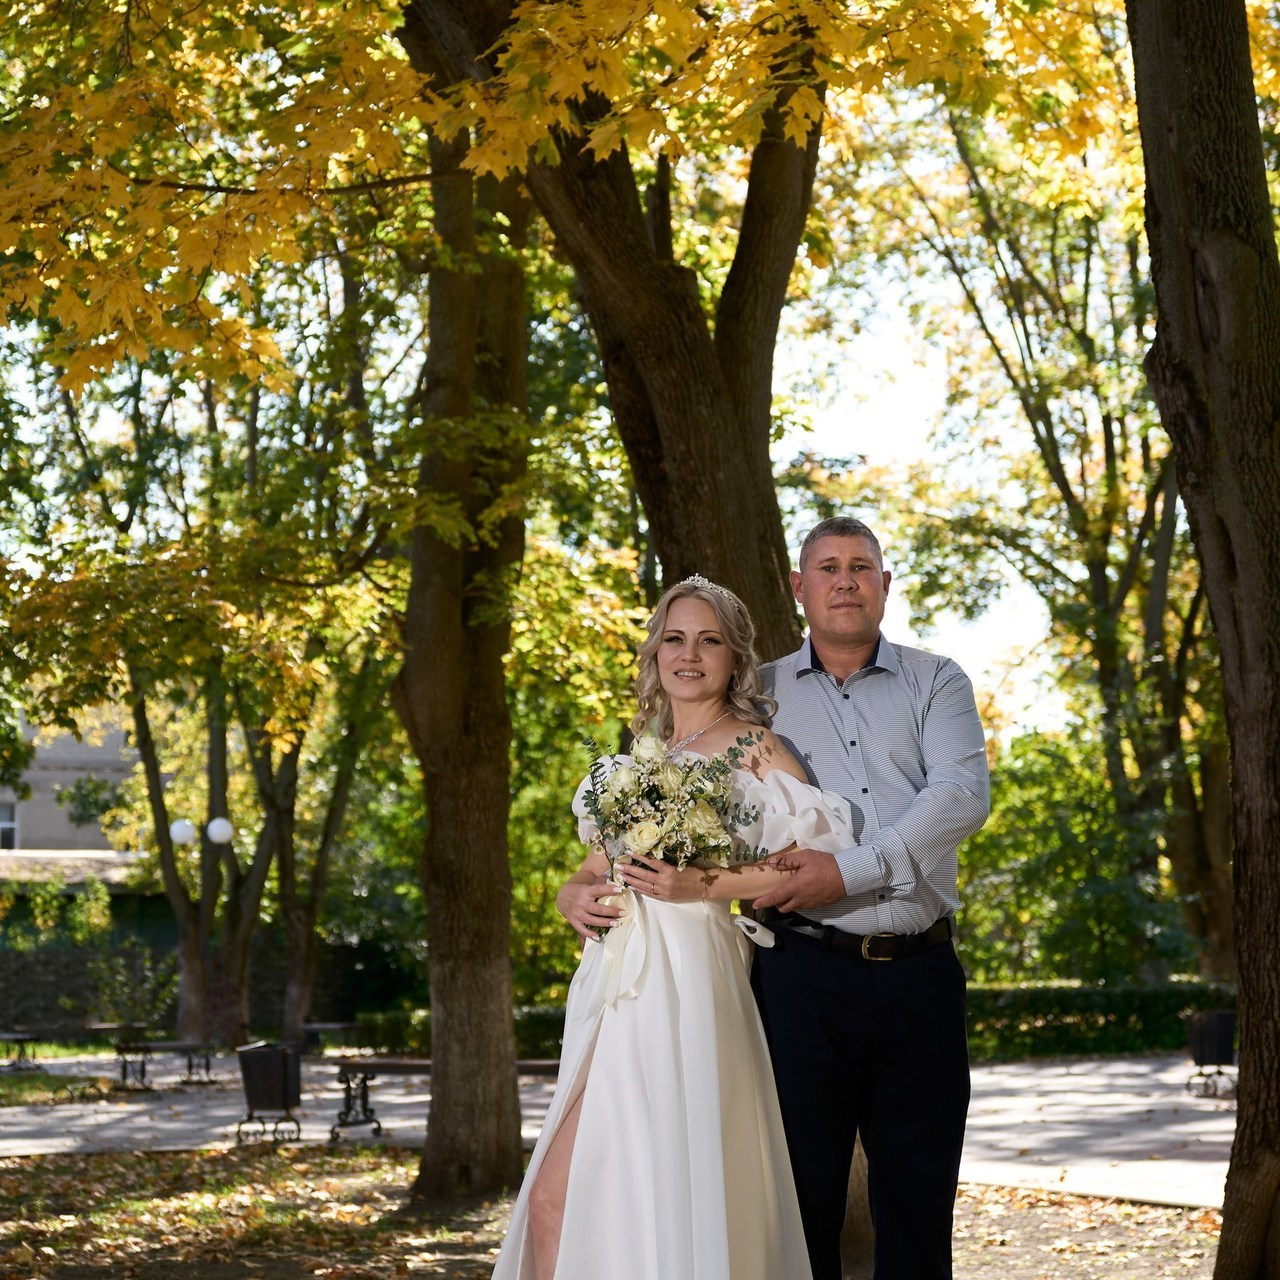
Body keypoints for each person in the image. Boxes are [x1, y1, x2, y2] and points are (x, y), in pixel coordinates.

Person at [621, 517, 990, 1280]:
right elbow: (669, 797)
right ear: (799, 586)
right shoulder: (753, 695)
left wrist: (849, 869)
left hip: (920, 975)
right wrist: (589, 879)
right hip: (797, 977)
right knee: (796, 1206)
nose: (845, 580)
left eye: (860, 566)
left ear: (885, 584)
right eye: (827, 567)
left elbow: (960, 796)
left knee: (919, 1212)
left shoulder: (937, 681)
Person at [493, 576, 857, 1280]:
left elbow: (806, 864)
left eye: (708, 640)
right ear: (655, 651)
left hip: (692, 979)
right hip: (615, 983)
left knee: (670, 1194)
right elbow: (594, 868)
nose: (689, 655)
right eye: (675, 638)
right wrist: (571, 896)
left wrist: (704, 886)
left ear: (734, 657)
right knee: (554, 1199)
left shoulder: (756, 748)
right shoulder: (636, 756)